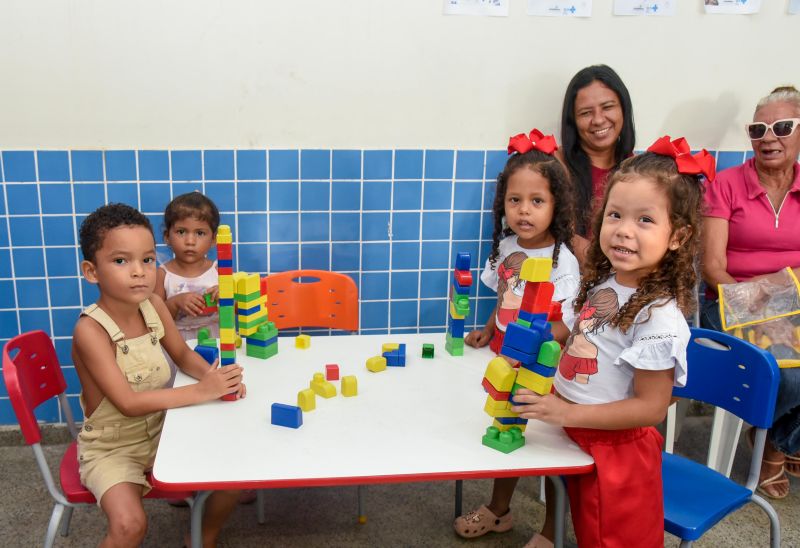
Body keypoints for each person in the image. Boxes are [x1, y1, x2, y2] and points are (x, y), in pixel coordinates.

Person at [512, 137, 711, 547]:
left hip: (615, 453)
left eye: (644, 220)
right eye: (615, 215)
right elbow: (570, 329)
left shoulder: (658, 316)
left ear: (678, 236)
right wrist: (523, 350)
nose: (622, 230)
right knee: (578, 520)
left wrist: (565, 411)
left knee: (607, 537)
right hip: (575, 428)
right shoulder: (604, 283)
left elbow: (650, 407)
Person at [72, 203, 245, 547]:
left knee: (236, 476)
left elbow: (182, 354)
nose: (139, 271)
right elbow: (128, 402)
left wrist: (217, 378)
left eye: (148, 259)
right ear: (92, 272)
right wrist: (200, 392)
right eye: (121, 261)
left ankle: (201, 537)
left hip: (164, 431)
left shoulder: (153, 305)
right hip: (113, 449)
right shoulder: (90, 330)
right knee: (130, 525)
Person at [453, 129, 579, 541]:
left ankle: (549, 530)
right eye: (515, 200)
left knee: (547, 448)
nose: (524, 211)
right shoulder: (506, 247)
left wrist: (530, 348)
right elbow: (506, 296)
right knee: (503, 427)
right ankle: (499, 510)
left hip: (541, 366)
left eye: (537, 201)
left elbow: (568, 323)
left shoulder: (562, 260)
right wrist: (489, 329)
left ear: (555, 205)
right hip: (504, 354)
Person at [701, 85, 800, 499]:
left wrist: (783, 298)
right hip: (730, 301)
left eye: (781, 126)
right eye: (758, 129)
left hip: (794, 300)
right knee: (787, 372)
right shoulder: (725, 185)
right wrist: (759, 307)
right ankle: (777, 447)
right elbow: (712, 267)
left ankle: (780, 434)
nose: (768, 137)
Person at [559, 64, 636, 263]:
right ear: (573, 121)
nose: (599, 120)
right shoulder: (555, 165)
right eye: (586, 113)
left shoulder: (640, 170)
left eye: (608, 107)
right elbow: (557, 233)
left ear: (623, 109)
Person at [155, 191, 220, 344]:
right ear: (167, 237)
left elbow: (240, 309)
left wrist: (228, 298)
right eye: (181, 232)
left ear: (213, 239)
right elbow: (154, 320)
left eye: (200, 233)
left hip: (216, 339)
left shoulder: (220, 272)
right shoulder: (163, 275)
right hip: (176, 344)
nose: (190, 241)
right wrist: (175, 302)